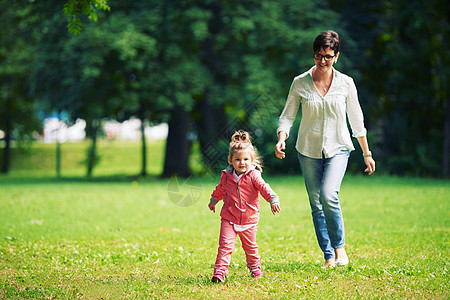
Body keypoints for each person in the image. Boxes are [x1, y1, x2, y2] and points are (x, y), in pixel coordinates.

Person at [275, 30, 375, 268]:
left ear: (336, 57)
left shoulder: (346, 83)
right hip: (307, 149)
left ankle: (340, 249)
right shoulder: (300, 82)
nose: (322, 61)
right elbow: (287, 116)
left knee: (329, 195)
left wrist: (366, 153)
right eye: (318, 55)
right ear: (314, 55)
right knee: (316, 203)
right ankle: (328, 256)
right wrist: (282, 138)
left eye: (327, 56)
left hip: (338, 147)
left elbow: (357, 120)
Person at [208, 130, 281, 282]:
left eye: (246, 159)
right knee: (225, 246)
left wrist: (273, 199)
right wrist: (214, 200)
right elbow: (220, 188)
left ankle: (255, 269)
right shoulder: (226, 175)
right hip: (229, 217)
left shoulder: (254, 175)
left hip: (249, 219)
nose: (242, 163)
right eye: (237, 160)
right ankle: (219, 272)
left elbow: (264, 187)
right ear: (231, 160)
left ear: (252, 160)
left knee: (250, 247)